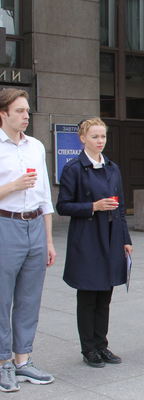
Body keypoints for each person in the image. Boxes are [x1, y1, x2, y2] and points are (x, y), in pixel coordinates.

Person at [56, 118, 133, 368]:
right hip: (87, 236)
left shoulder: (113, 167)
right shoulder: (73, 168)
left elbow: (120, 206)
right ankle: (88, 348)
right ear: (82, 139)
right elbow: (63, 206)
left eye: (103, 137)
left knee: (105, 294)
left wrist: (126, 239)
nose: (100, 141)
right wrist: (93, 206)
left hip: (111, 235)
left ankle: (102, 345)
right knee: (89, 294)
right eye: (94, 137)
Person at [0, 88, 56, 392]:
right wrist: (13, 185)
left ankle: (23, 361)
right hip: (4, 224)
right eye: (20, 111)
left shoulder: (35, 146)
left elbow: (45, 195)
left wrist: (48, 240)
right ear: (3, 114)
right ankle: (2, 363)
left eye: (27, 110)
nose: (26, 116)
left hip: (35, 225)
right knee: (2, 298)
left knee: (29, 299)